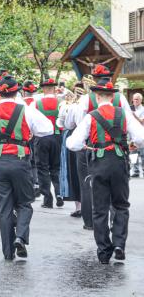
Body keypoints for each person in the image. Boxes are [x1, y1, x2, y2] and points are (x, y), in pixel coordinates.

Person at [0, 75, 53, 260]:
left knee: (4, 207)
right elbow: (48, 128)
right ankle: (20, 236)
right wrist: (30, 132)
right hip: (21, 161)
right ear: (18, 92)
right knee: (25, 203)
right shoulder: (26, 109)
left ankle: (8, 252)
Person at [66, 79, 144, 264]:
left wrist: (88, 146)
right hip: (119, 162)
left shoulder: (91, 116)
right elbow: (141, 137)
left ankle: (103, 251)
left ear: (97, 96)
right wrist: (132, 144)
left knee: (100, 209)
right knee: (121, 205)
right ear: (113, 96)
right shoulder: (124, 113)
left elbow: (72, 144)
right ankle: (119, 244)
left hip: (99, 163)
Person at [31, 78, 61, 209]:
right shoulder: (62, 103)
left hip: (41, 138)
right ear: (54, 89)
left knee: (42, 168)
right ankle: (59, 193)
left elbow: (30, 121)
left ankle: (47, 198)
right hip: (57, 136)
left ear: (43, 89)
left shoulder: (36, 103)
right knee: (56, 167)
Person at [130, 92, 143, 177]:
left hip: (142, 134)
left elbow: (142, 121)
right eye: (134, 99)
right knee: (133, 154)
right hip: (132, 135)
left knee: (143, 154)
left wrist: (134, 115)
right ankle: (135, 171)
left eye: (137, 99)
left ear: (141, 100)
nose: (135, 101)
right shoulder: (130, 109)